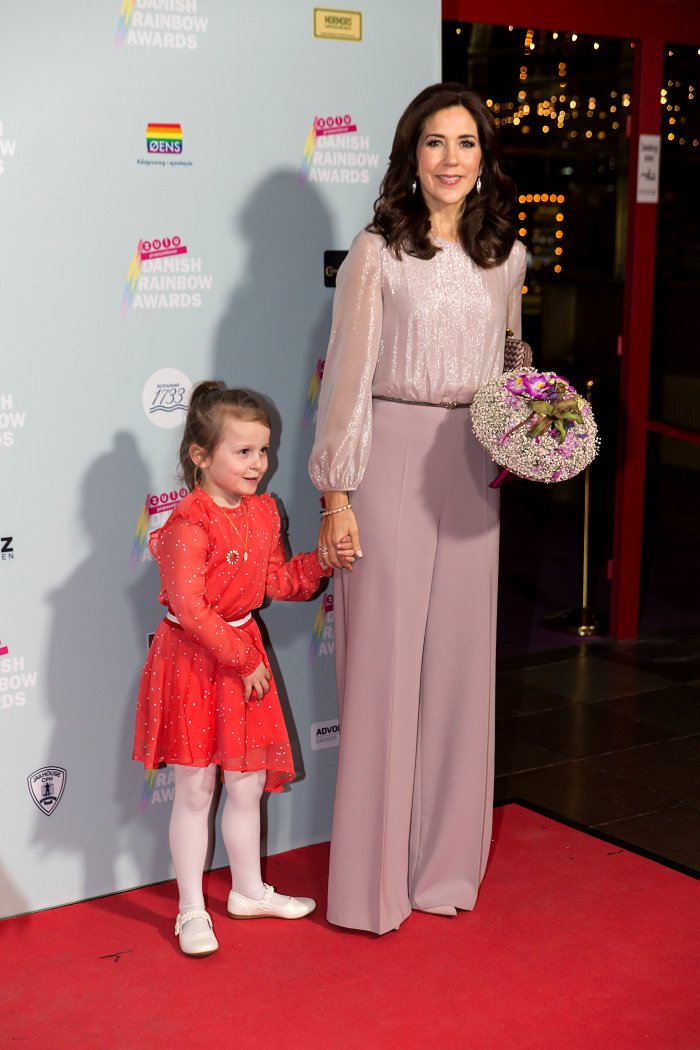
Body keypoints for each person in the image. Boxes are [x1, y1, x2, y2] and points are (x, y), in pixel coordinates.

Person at [309, 83, 527, 935]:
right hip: (389, 457)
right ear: (412, 155)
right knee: (383, 676)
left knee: (462, 676)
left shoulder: (506, 256)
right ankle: (370, 889)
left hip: (471, 466)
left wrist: (527, 429)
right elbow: (347, 377)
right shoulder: (379, 250)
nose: (449, 160)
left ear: (484, 158)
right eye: (434, 143)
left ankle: (444, 872)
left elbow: (512, 358)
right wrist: (336, 494)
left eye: (465, 143)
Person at [134, 381, 331, 956]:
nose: (258, 464)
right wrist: (245, 658)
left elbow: (273, 582)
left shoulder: (264, 512)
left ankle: (248, 891)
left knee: (246, 786)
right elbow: (190, 607)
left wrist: (319, 561)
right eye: (242, 452)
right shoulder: (187, 525)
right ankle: (191, 908)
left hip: (244, 659)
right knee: (196, 790)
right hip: (197, 663)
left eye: (263, 451)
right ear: (200, 456)